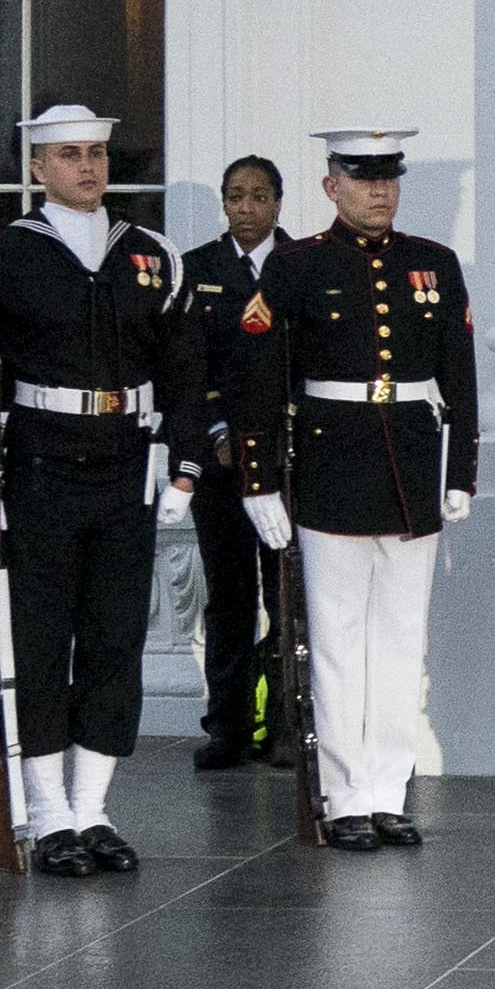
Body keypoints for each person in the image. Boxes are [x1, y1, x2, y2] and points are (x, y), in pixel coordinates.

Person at [0, 99, 187, 877]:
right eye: (68, 156)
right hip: (40, 462)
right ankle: (46, 811)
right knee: (41, 640)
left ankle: (94, 808)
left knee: (113, 639)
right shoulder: (0, 258)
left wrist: (182, 465)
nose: (87, 168)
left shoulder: (151, 254)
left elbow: (184, 370)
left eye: (96, 154)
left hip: (126, 462)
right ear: (37, 167)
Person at [226, 125, 476, 846]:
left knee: (401, 642)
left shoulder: (434, 263)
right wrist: (258, 481)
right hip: (331, 467)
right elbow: (258, 379)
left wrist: (459, 471)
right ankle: (342, 796)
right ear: (332, 185)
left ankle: (388, 789)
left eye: (389, 178)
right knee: (336, 644)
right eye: (363, 179)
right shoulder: (298, 266)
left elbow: (456, 373)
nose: (379, 192)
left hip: (413, 472)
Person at [173, 155, 295, 773]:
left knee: (287, 596)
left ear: (279, 201)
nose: (246, 209)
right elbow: (187, 370)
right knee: (229, 597)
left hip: (286, 463)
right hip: (221, 467)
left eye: (258, 197)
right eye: (235, 197)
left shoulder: (301, 264)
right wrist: (218, 432)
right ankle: (227, 727)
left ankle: (283, 727)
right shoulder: (196, 270)